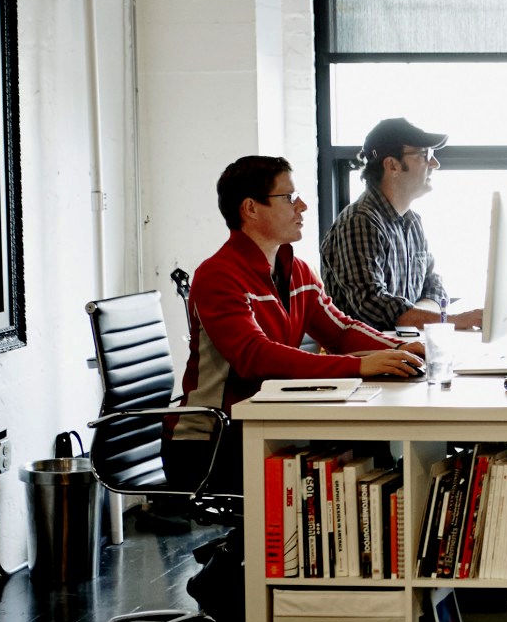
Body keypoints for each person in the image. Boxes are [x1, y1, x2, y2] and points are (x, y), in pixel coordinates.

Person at [168, 156, 426, 495]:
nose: (302, 205)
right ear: (251, 208)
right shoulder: (218, 275)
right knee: (359, 457)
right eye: (289, 198)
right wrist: (360, 365)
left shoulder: (297, 270)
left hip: (271, 423)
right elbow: (254, 356)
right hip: (214, 441)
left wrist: (401, 350)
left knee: (370, 449)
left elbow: (341, 331)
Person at [320, 117, 482, 331]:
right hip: (370, 358)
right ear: (392, 165)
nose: (435, 164)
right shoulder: (360, 221)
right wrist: (449, 320)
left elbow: (434, 288)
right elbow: (373, 307)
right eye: (425, 155)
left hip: (406, 348)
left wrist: (416, 318)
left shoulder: (412, 222)